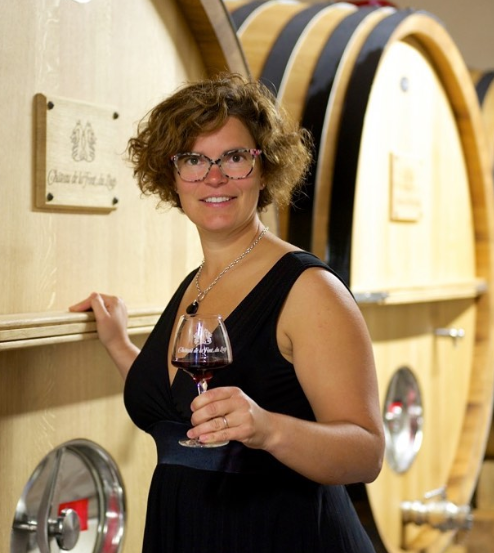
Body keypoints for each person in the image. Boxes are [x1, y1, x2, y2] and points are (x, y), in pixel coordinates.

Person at [70, 72, 384, 553]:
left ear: (264, 167)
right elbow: (184, 410)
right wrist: (119, 344)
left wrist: (269, 428)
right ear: (172, 175)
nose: (213, 177)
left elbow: (366, 452)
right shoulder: (196, 284)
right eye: (194, 159)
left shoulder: (308, 290)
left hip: (286, 537)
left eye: (234, 157)